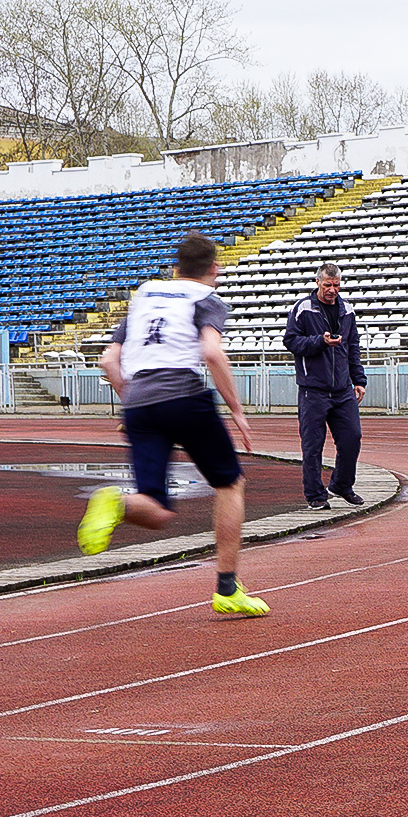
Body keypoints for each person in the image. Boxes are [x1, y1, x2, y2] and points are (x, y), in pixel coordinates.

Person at [77, 232, 269, 617]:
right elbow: (212, 353)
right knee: (230, 484)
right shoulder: (207, 300)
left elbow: (108, 360)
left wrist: (128, 403)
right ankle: (227, 588)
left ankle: (116, 501)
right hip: (183, 393)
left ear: (175, 267)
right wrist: (237, 410)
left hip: (140, 401)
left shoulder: (144, 295)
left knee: (158, 508)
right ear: (214, 269)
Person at [282, 263, 368, 509]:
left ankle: (341, 485)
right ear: (318, 282)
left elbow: (353, 348)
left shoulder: (347, 310)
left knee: (352, 437)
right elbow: (291, 341)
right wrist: (320, 341)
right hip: (313, 390)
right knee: (312, 445)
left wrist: (358, 380)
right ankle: (315, 495)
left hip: (342, 390)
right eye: (328, 285)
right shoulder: (303, 308)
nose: (332, 290)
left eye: (337, 285)